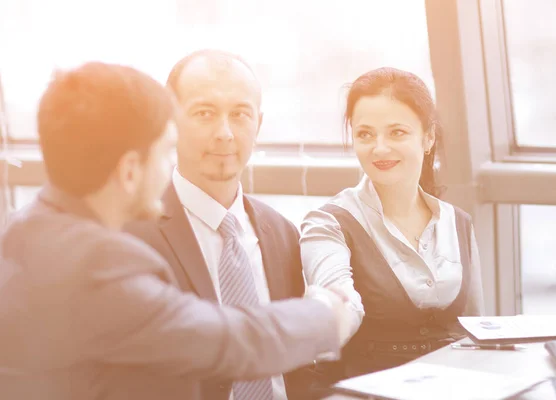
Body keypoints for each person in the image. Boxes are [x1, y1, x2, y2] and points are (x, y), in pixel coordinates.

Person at [0, 62, 350, 400]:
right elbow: (221, 340)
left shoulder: (25, 231)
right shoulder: (98, 264)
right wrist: (326, 314)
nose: (171, 163)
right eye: (166, 150)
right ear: (130, 171)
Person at [125, 49, 352, 400]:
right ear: (170, 122)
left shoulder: (282, 233)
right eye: (205, 113)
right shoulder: (132, 234)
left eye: (240, 114)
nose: (225, 133)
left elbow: (295, 367)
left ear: (258, 124)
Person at [300, 67, 485, 380]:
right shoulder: (328, 223)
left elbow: (476, 327)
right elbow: (337, 301)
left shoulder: (458, 223)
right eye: (365, 134)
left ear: (428, 138)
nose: (379, 148)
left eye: (397, 132)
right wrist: (329, 318)